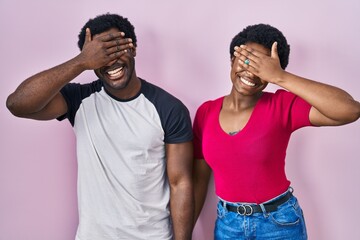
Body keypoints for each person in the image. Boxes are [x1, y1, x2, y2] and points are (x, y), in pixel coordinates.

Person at [6, 13, 194, 240]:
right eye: (100, 54)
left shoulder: (168, 108)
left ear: (133, 49)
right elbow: (17, 104)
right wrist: (80, 62)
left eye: (116, 48)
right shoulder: (79, 100)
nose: (111, 60)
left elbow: (180, 183)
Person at [193, 23, 360, 239]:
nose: (251, 72)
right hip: (228, 225)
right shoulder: (206, 112)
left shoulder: (281, 106)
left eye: (261, 67)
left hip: (278, 224)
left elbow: (350, 110)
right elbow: (198, 179)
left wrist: (280, 77)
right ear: (232, 59)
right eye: (247, 60)